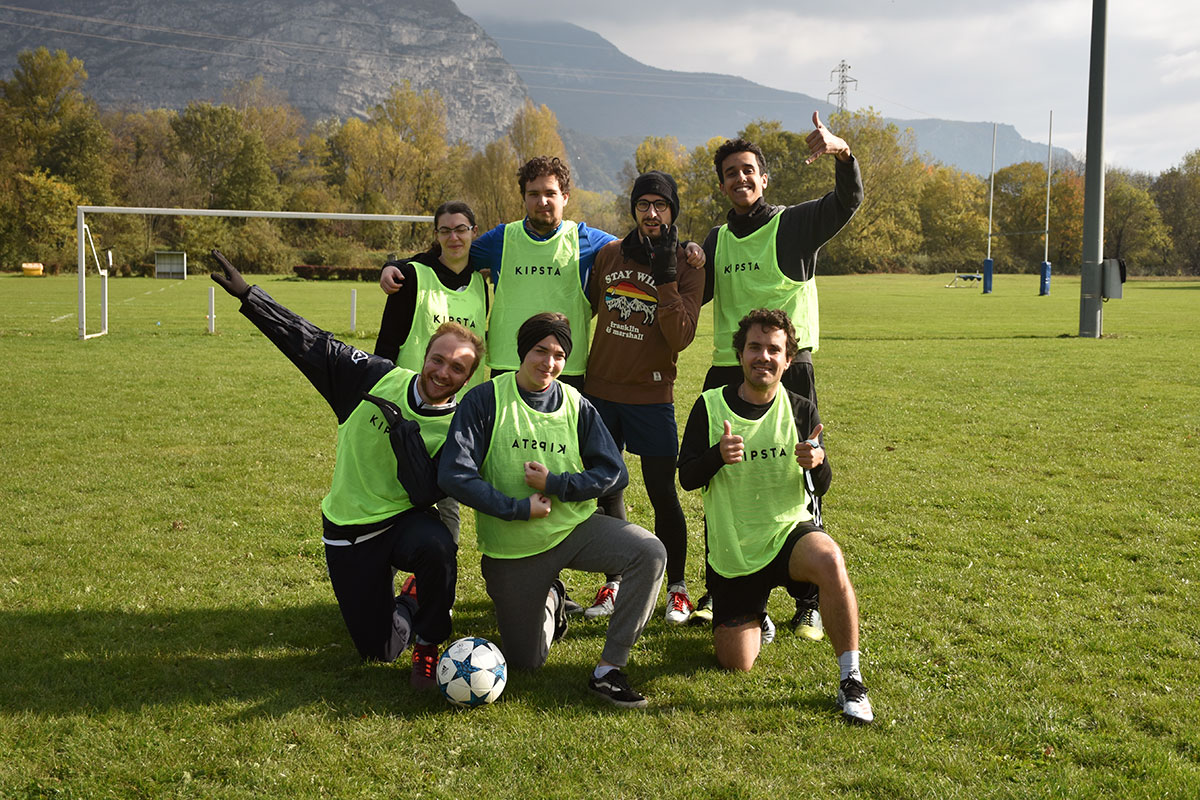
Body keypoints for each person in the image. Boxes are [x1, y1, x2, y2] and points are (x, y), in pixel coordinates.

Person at [210, 250, 485, 690]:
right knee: (378, 651)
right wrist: (250, 296)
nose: (442, 372)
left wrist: (406, 434)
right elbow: (309, 341)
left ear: (467, 379)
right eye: (438, 359)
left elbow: (425, 491)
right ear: (425, 355)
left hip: (402, 522)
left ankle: (429, 642)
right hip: (350, 530)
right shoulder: (374, 378)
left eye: (457, 368)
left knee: (438, 547)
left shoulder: (459, 429)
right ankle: (409, 603)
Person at [693, 112, 864, 639]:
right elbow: (690, 296)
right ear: (722, 185)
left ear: (764, 178)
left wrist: (842, 153)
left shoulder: (791, 224)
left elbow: (847, 202)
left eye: (749, 170)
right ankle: (723, 587)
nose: (740, 178)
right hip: (727, 371)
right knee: (722, 479)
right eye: (730, 173)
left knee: (799, 473)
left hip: (790, 373)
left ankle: (808, 601)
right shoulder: (717, 240)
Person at [439, 312, 666, 708]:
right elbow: (454, 474)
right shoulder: (486, 399)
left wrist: (558, 485)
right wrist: (517, 508)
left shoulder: (576, 404)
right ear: (522, 350)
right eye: (540, 351)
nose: (549, 363)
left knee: (649, 552)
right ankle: (552, 598)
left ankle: (609, 669)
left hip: (574, 530)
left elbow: (614, 472)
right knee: (526, 662)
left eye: (559, 355)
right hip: (513, 550)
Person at [677, 309, 874, 725]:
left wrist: (818, 462)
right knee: (737, 663)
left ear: (787, 360)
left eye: (773, 349)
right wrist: (717, 455)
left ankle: (851, 680)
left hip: (788, 533)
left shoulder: (801, 409)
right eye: (754, 347)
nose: (763, 356)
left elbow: (821, 486)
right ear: (740, 354)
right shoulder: (710, 406)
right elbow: (688, 478)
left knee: (830, 559)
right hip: (735, 551)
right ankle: (757, 615)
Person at [380, 156, 704, 391]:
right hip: (508, 364)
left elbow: (638, 247)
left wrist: (683, 246)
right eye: (533, 194)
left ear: (565, 197)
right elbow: (452, 251)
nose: (542, 201)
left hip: (566, 367)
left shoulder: (589, 240)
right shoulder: (501, 239)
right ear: (523, 197)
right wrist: (399, 265)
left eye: (550, 193)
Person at [577, 171, 703, 625]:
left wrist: (667, 277)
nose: (652, 213)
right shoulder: (610, 254)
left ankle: (677, 589)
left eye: (660, 205)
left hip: (652, 395)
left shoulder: (689, 264)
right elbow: (594, 305)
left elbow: (680, 336)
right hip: (601, 393)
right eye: (643, 204)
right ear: (634, 209)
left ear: (672, 210)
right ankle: (613, 581)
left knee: (661, 491)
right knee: (607, 488)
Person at [374, 200, 489, 543]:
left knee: (448, 498)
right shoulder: (411, 276)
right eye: (445, 230)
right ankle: (383, 567)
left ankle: (439, 571)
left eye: (461, 229)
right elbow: (386, 344)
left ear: (473, 232)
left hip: (454, 415)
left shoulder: (480, 283)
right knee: (394, 496)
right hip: (407, 411)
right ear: (436, 234)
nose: (454, 237)